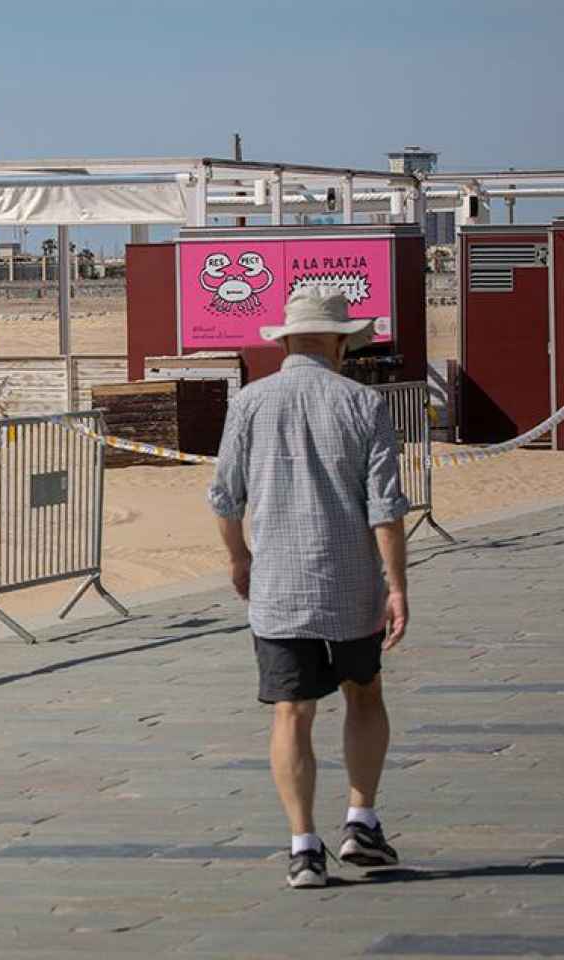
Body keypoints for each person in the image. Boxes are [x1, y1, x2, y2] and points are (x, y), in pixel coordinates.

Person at [207, 285, 411, 889]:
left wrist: (239, 557)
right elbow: (385, 508)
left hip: (278, 585)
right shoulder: (363, 404)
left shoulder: (249, 402)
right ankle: (361, 820)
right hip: (351, 583)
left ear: (287, 339)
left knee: (292, 711)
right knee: (364, 694)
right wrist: (396, 585)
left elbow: (224, 496)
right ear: (342, 343)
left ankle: (303, 847)